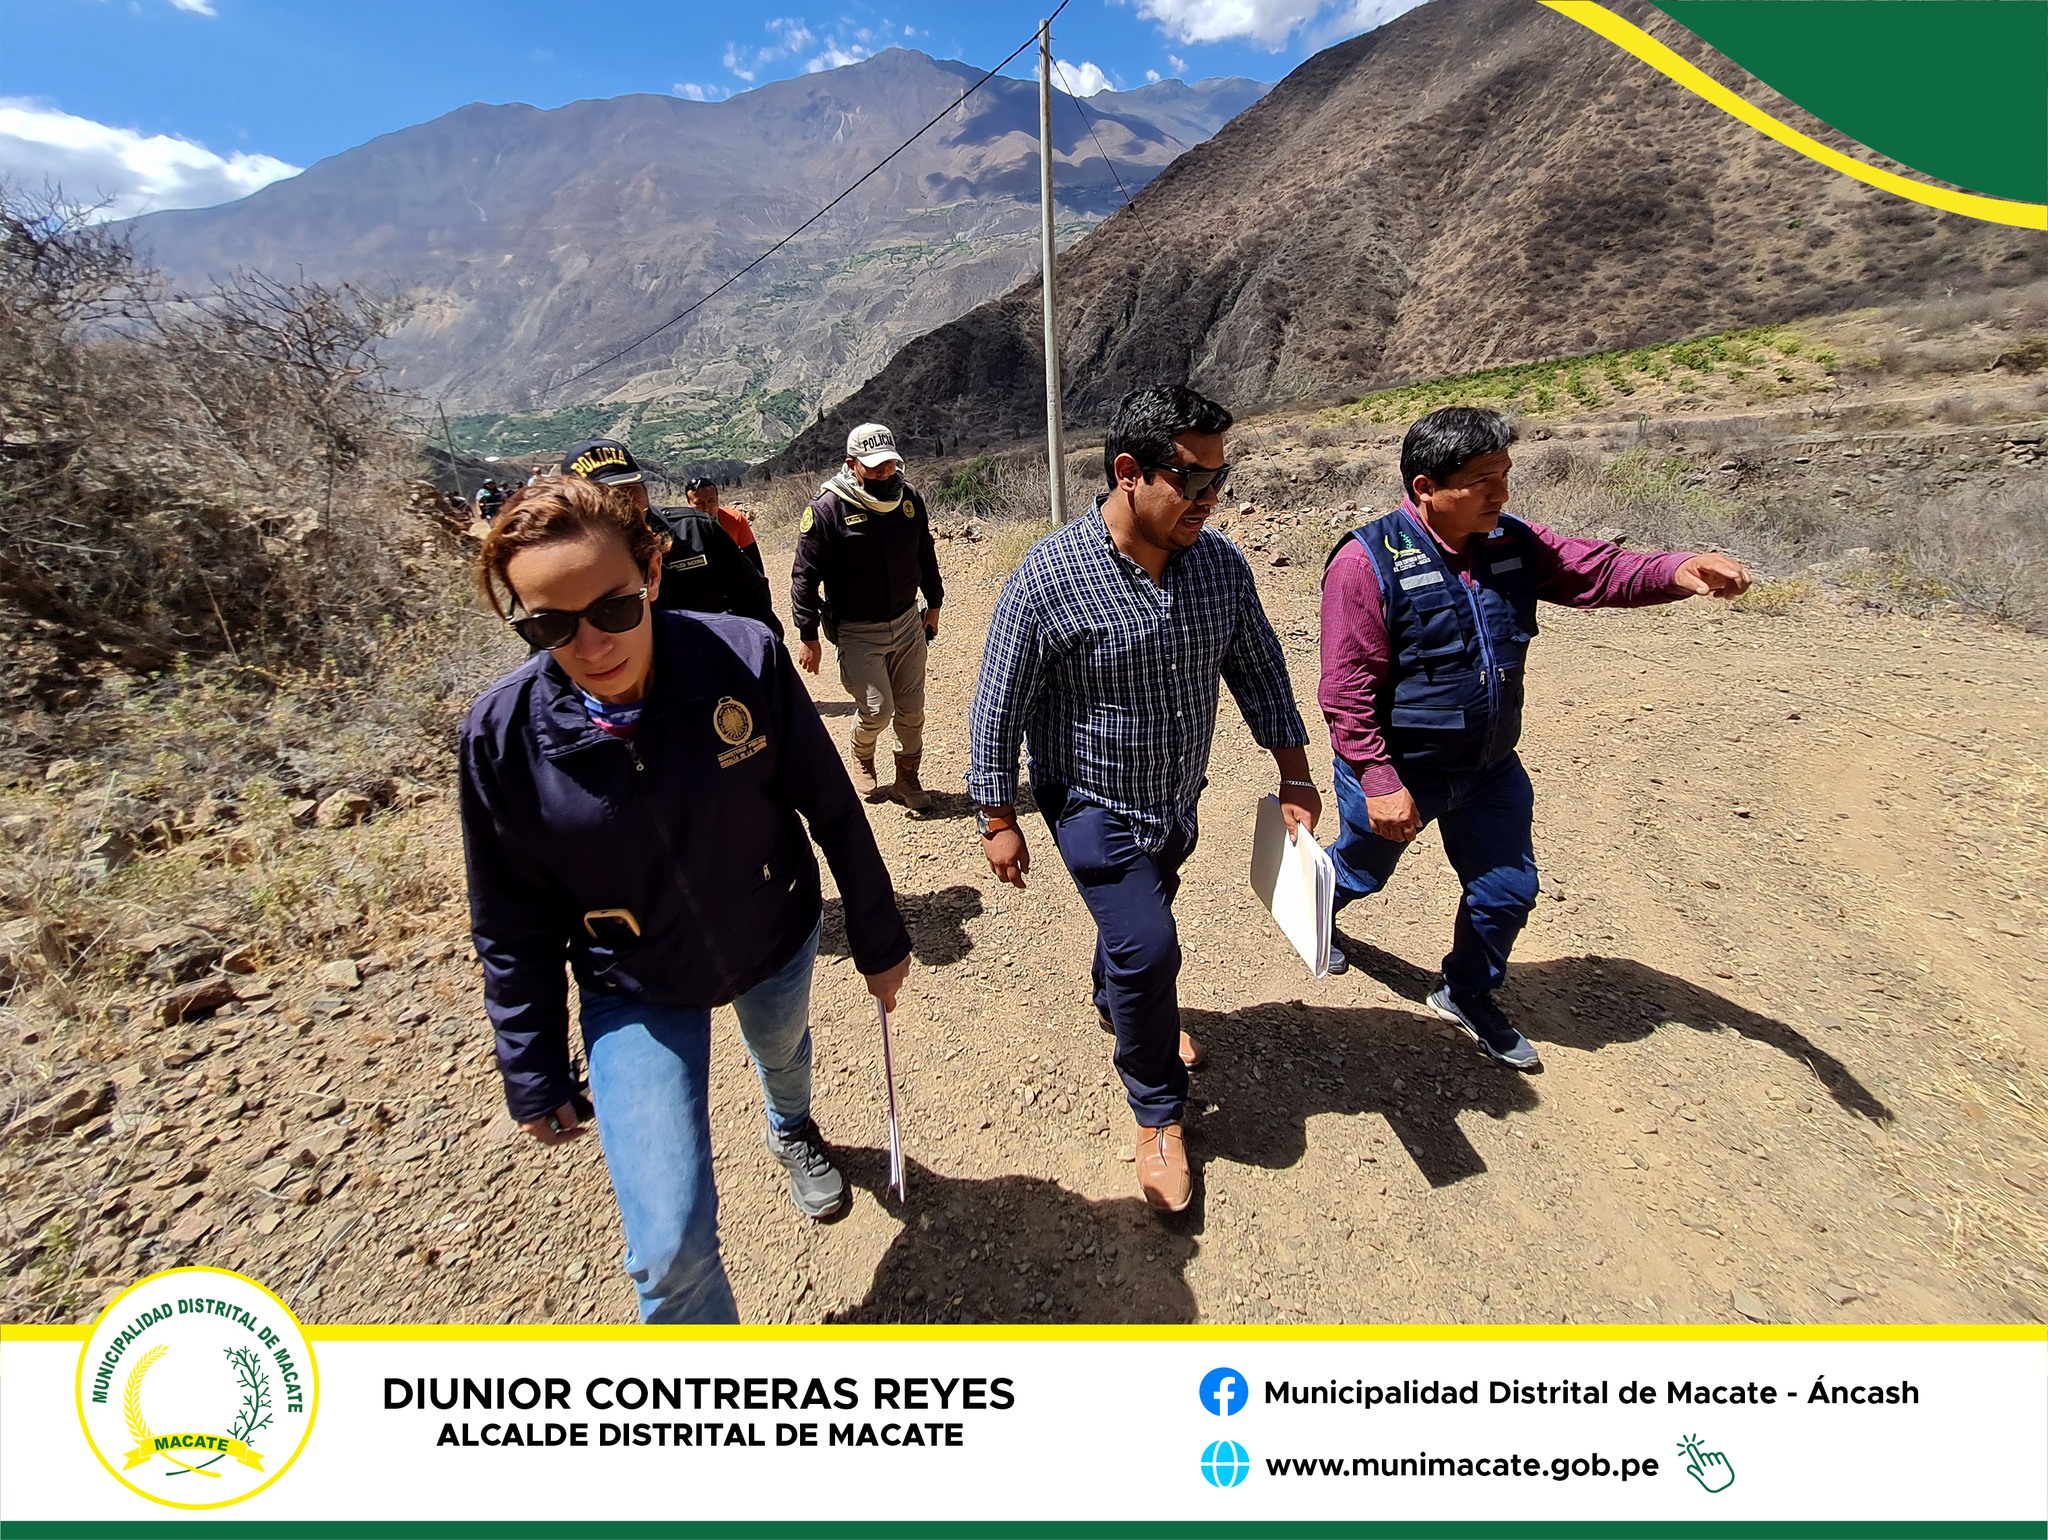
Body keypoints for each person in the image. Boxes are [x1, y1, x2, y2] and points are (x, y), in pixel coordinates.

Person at [459, 476, 913, 1323]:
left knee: (782, 1053)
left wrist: (880, 938)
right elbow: (509, 919)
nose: (589, 643)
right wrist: (531, 1064)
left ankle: (791, 1126)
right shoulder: (501, 738)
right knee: (666, 1251)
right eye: (549, 626)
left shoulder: (743, 657)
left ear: (652, 574)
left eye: (613, 610)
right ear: (519, 621)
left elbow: (833, 809)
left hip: (770, 930)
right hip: (631, 982)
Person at [967, 385, 1321, 1214]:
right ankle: (1157, 1112)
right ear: (1129, 472)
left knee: (1140, 929)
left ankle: (1125, 1007)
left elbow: (1261, 670)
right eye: (1190, 480)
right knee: (1151, 946)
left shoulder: (1221, 568)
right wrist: (996, 814)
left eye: (1218, 481)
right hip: (1087, 798)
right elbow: (998, 702)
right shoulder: (1051, 577)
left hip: (1174, 800)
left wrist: (1297, 773)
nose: (1208, 500)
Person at [1318, 406, 1751, 1070]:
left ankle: (1465, 993)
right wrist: (1380, 782)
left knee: (1508, 891)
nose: (1502, 494)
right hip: (1405, 769)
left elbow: (1597, 573)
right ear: (1426, 487)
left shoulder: (1512, 543)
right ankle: (1317, 911)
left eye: (1506, 475)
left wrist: (1676, 569)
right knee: (1358, 871)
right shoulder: (1368, 561)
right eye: (1483, 480)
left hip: (1490, 769)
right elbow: (1348, 690)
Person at [790, 423, 944, 811]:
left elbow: (924, 552)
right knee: (877, 710)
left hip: (908, 622)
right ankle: (862, 751)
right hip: (859, 631)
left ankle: (907, 780)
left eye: (889, 466)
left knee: (911, 709)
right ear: (852, 464)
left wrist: (935, 603)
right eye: (875, 468)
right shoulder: (827, 509)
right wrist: (807, 633)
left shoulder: (908, 499)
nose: (884, 474)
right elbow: (804, 575)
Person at [559, 439, 781, 640]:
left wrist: (765, 654)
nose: (621, 503)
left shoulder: (696, 530)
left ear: (643, 488)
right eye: (603, 496)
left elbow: (752, 594)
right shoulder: (569, 568)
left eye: (629, 490)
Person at [685, 475, 764, 577]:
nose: (706, 508)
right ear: (689, 504)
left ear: (718, 499)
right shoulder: (682, 527)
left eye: (711, 501)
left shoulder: (735, 519)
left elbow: (753, 558)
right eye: (699, 503)